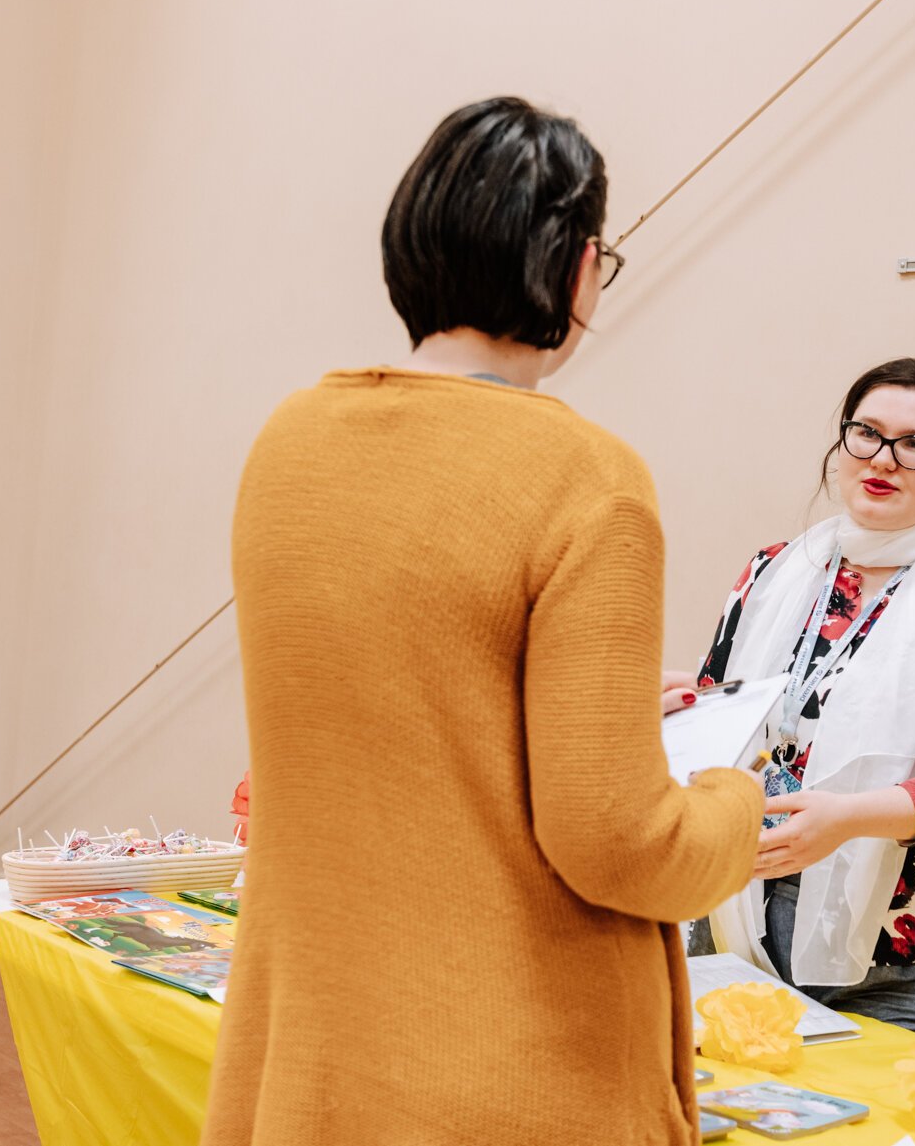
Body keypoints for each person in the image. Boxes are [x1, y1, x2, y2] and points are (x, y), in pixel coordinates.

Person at [203, 98, 763, 1146]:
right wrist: (735, 806)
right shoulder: (589, 480)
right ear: (574, 265)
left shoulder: (289, 444)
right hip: (508, 1073)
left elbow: (397, 702)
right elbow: (615, 840)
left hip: (317, 1056)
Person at [688, 358, 915, 1030]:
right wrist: (685, 705)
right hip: (741, 918)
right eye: (866, 433)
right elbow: (744, 713)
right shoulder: (776, 569)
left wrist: (849, 817)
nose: (883, 459)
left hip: (909, 956)